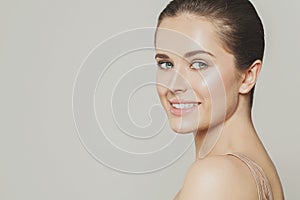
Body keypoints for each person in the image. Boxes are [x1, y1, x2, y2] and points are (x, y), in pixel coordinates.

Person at [154, 0, 284, 199]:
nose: (173, 85)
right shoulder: (252, 168)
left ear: (248, 76)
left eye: (198, 64)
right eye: (165, 64)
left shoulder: (216, 177)